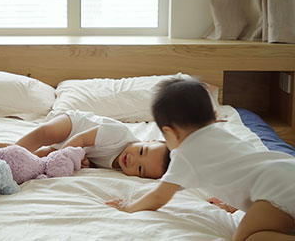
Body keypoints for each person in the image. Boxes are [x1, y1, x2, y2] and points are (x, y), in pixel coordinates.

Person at [105, 78, 295, 241]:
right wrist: (231, 203)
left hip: (274, 191)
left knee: (247, 238)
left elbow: (158, 197)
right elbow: (241, 168)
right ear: (214, 116)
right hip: (285, 170)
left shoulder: (184, 154)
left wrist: (128, 207)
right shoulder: (220, 132)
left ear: (168, 133)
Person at [0, 110, 171, 178]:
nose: (132, 160)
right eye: (141, 151)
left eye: (140, 169)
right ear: (148, 140)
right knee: (45, 133)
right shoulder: (120, 133)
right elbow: (81, 139)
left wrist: (84, 161)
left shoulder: (119, 168)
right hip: (74, 125)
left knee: (44, 154)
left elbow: (95, 156)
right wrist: (63, 156)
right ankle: (12, 150)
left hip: (78, 148)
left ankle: (5, 149)